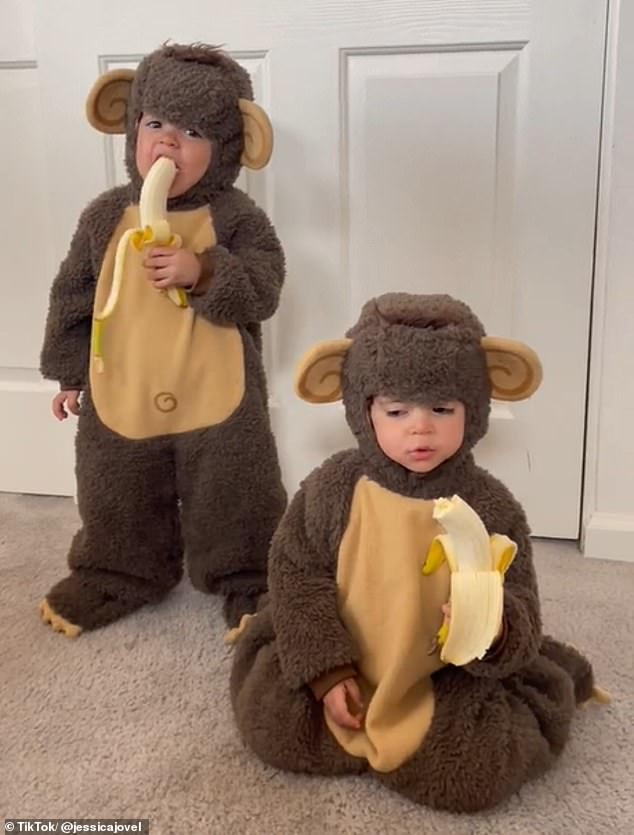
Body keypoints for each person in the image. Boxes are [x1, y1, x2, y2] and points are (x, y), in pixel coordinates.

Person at [229, 292, 606, 812]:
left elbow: (519, 597)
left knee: (475, 772)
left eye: (442, 408)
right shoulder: (333, 488)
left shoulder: (492, 507)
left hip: (441, 672)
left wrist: (495, 630)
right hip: (347, 648)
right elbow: (295, 573)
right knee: (273, 723)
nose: (420, 428)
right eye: (397, 410)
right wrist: (326, 670)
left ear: (475, 407)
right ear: (362, 409)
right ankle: (331, 687)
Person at [39, 43, 286, 637]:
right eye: (156, 124)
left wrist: (202, 270)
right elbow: (74, 294)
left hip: (218, 395)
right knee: (112, 489)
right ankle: (118, 572)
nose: (169, 143)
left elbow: (265, 285)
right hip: (123, 386)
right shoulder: (104, 217)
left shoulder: (235, 217)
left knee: (237, 490)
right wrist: (72, 371)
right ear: (128, 123)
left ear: (234, 144)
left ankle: (250, 578)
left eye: (194, 130)